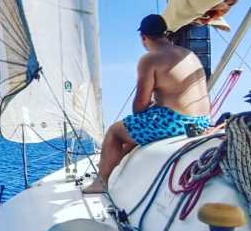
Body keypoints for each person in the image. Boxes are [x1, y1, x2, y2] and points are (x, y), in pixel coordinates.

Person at [83, 14, 211, 194]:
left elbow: (139, 106)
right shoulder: (188, 54)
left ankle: (101, 181)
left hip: (177, 123)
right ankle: (116, 171)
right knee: (137, 131)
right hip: (201, 123)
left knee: (115, 131)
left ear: (143, 37)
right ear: (165, 34)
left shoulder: (150, 59)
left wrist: (151, 106)